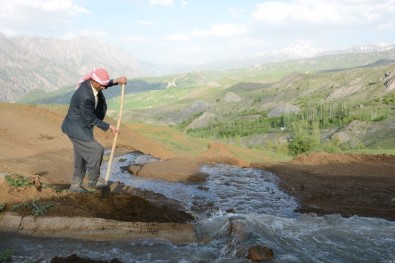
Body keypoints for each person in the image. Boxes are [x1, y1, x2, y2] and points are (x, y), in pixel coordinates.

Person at [61, 68, 127, 193]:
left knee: (81, 157)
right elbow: (90, 118)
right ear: (95, 82)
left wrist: (117, 81)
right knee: (97, 150)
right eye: (102, 85)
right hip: (76, 129)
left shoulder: (93, 85)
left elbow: (105, 83)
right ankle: (93, 181)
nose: (104, 87)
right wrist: (109, 127)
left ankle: (75, 186)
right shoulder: (85, 96)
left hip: (81, 126)